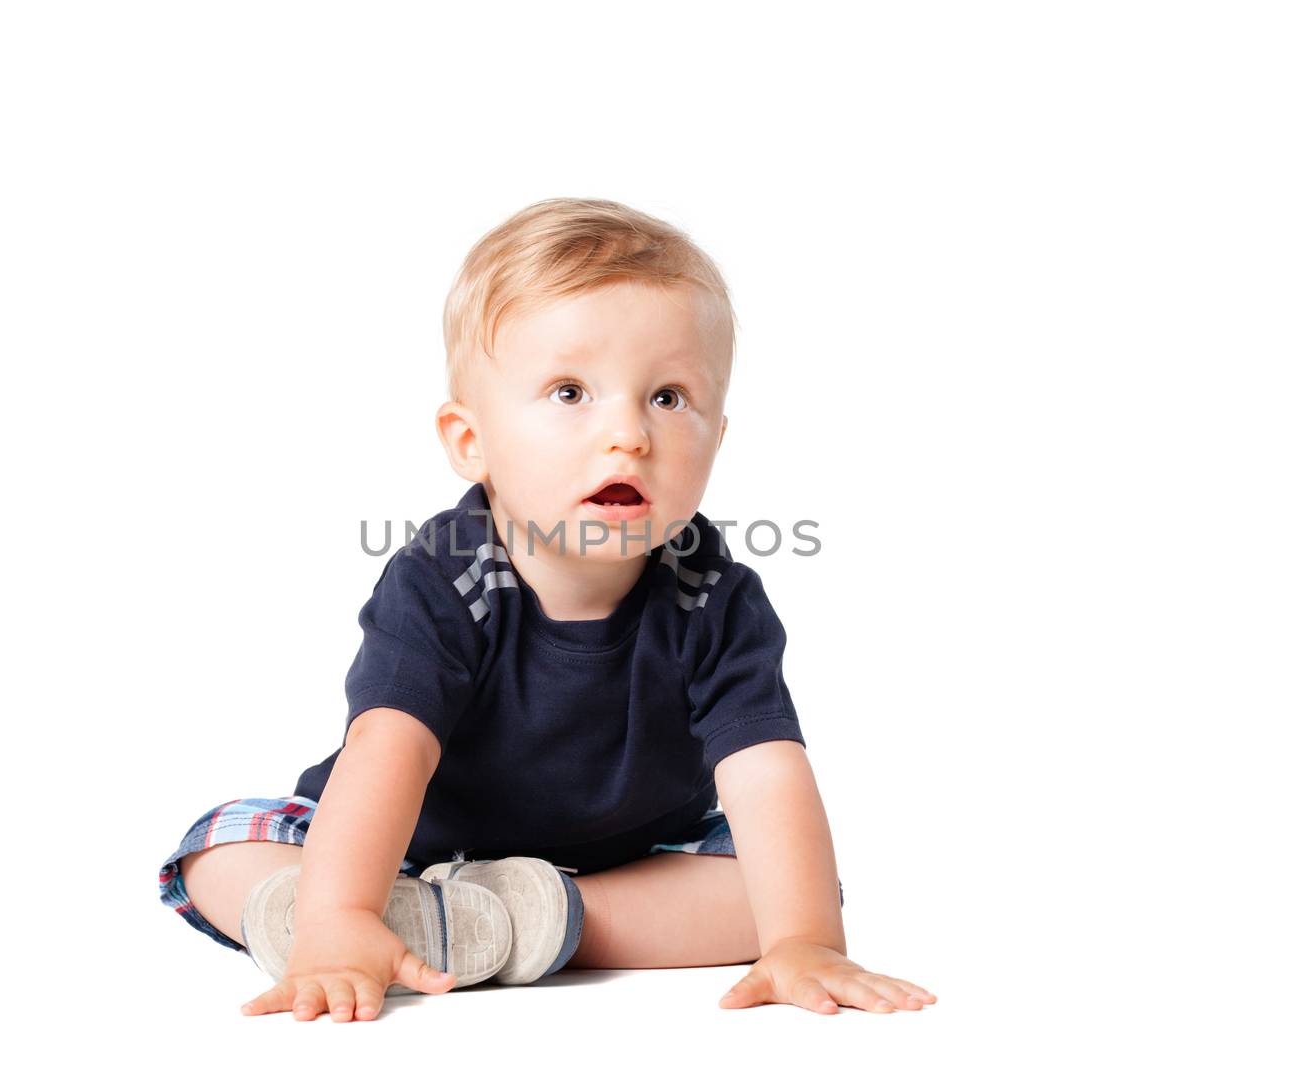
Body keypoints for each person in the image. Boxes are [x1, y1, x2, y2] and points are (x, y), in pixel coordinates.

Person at [156, 197, 937, 1023]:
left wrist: (805, 935)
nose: (629, 434)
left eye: (669, 398)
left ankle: (530, 918)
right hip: (400, 845)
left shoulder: (714, 595)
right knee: (219, 847)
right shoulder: (443, 574)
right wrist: (339, 915)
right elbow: (389, 745)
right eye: (571, 391)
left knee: (784, 887)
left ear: (718, 437)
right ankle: (393, 913)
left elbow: (767, 769)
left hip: (625, 861)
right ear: (471, 441)